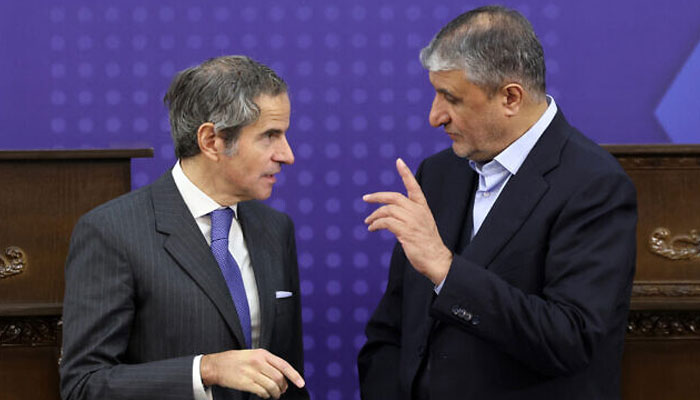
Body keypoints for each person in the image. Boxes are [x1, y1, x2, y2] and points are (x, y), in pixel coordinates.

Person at [358, 6, 637, 400]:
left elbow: (569, 339)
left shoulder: (596, 186)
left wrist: (446, 270)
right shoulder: (437, 175)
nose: (434, 116)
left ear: (510, 97)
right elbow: (393, 329)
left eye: (450, 98)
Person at [60, 56, 308, 400]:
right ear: (211, 140)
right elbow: (84, 385)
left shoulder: (275, 229)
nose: (287, 154)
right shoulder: (112, 232)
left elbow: (289, 377)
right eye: (270, 136)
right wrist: (205, 369)